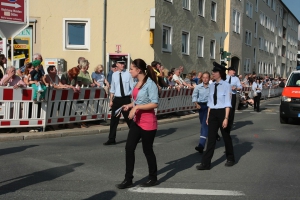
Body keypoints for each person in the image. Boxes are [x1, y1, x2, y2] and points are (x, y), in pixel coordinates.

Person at [116, 58, 159, 189]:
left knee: (147, 150)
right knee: (129, 148)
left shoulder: (150, 84)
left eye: (131, 69)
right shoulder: (137, 82)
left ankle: (153, 177)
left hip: (148, 122)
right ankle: (128, 179)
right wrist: (130, 105)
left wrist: (137, 108)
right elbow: (138, 100)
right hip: (137, 122)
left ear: (138, 70)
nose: (129, 71)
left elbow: (154, 103)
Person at [196, 62, 234, 170]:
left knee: (226, 137)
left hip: (223, 112)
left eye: (215, 72)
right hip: (212, 113)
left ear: (220, 73)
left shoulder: (226, 86)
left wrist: (226, 118)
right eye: (213, 71)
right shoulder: (212, 86)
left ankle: (230, 158)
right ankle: (205, 163)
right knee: (211, 138)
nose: (213, 73)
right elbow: (210, 103)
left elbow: (227, 103)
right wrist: (208, 116)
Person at [104, 57, 133, 145]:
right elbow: (113, 88)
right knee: (114, 120)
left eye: (123, 63)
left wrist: (132, 101)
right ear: (116, 64)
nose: (122, 65)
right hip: (117, 99)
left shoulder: (128, 74)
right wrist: (111, 100)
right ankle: (111, 139)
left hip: (126, 99)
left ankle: (136, 136)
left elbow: (132, 87)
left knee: (129, 119)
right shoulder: (114, 75)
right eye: (120, 63)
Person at [192, 72, 210, 154]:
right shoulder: (198, 87)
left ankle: (201, 145)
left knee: (204, 124)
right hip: (201, 107)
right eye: (204, 77)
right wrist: (196, 104)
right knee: (203, 124)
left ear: (209, 78)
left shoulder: (212, 87)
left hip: (209, 107)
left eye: (207, 77)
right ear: (201, 78)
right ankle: (213, 134)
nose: (205, 79)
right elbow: (194, 96)